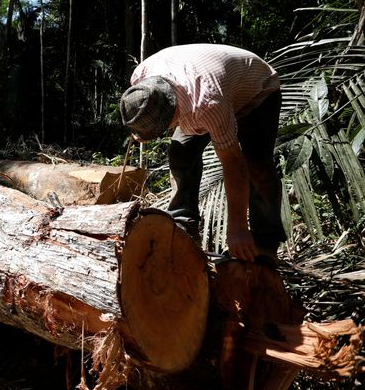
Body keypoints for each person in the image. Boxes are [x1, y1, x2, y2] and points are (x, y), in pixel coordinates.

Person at [119, 44, 286, 264]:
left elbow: (233, 162)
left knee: (257, 166)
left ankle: (264, 242)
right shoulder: (142, 78)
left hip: (257, 92)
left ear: (172, 112)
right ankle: (183, 225)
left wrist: (237, 228)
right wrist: (143, 130)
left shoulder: (208, 103)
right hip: (205, 85)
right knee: (180, 152)